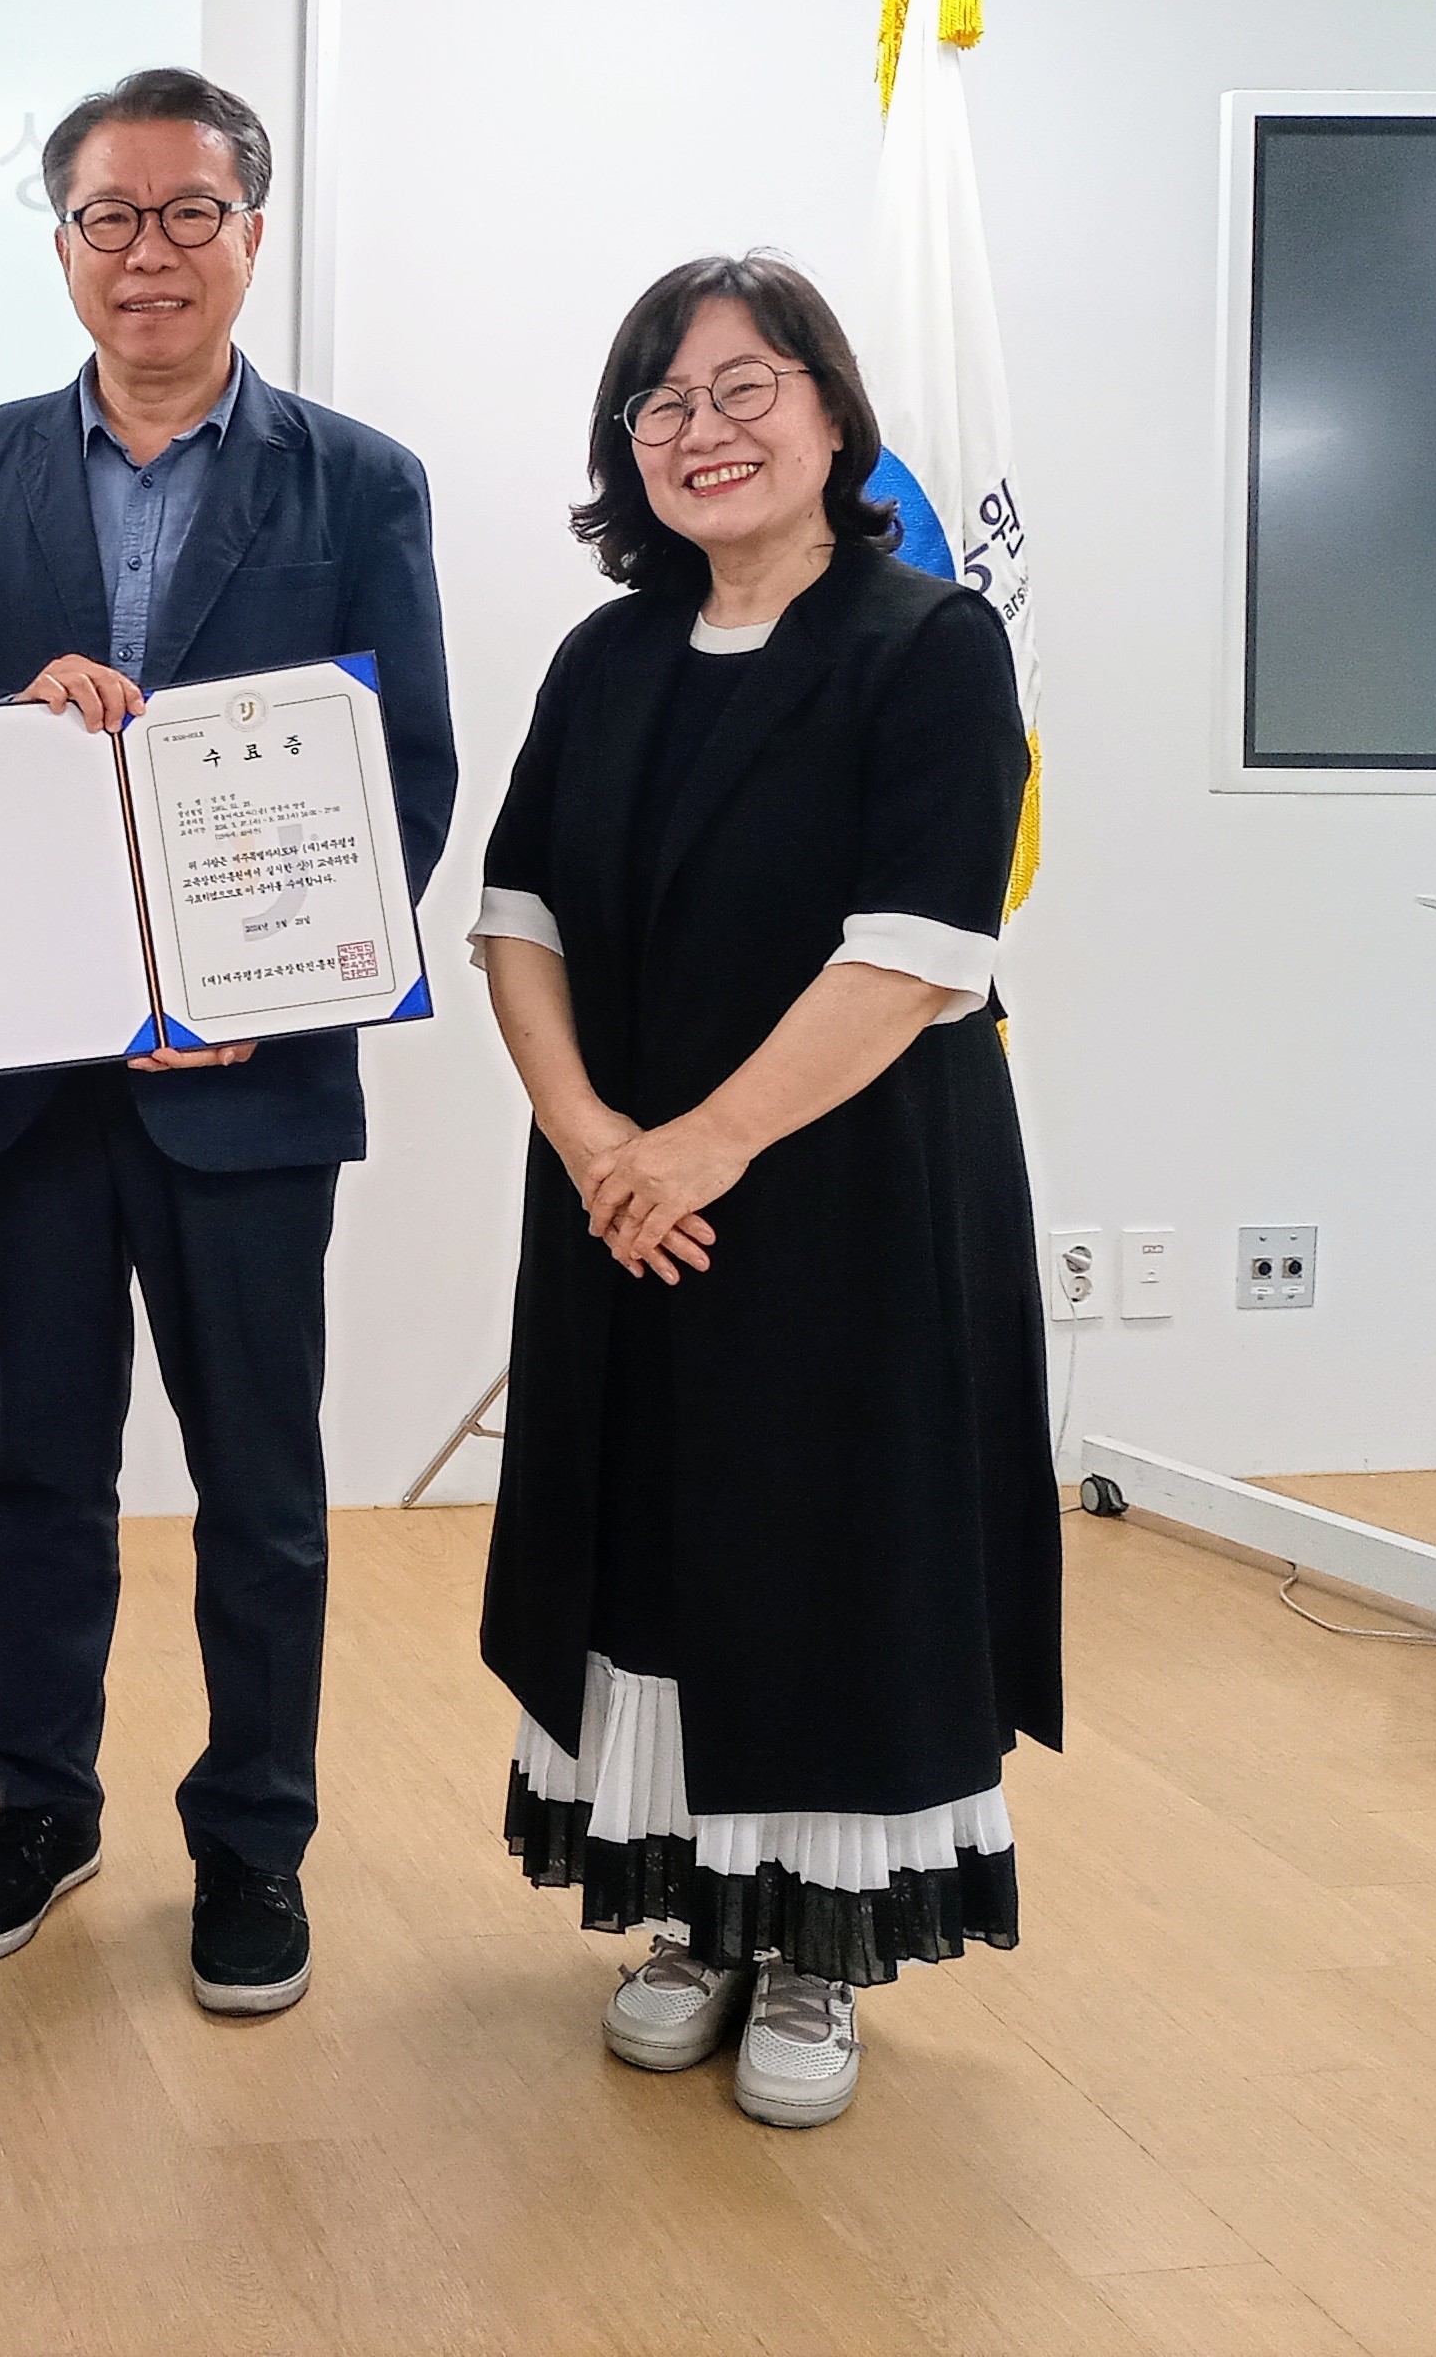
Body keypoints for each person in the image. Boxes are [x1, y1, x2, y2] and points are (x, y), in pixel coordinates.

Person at [0, 66, 454, 2017]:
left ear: (249, 236)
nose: (147, 254)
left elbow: (407, 777)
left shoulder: (353, 482)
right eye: (107, 218)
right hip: (30, 1083)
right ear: (59, 249)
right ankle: (41, 1804)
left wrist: (255, 991)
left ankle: (251, 1841)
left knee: (260, 1485)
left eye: (186, 213)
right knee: (39, 1470)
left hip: (249, 1089)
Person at [472, 251, 1056, 2131]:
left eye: (744, 390)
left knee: (829, 1546)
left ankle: (821, 1947)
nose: (702, 432)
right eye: (663, 404)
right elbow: (517, 915)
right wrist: (591, 1145)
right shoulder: (607, 654)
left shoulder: (926, 640)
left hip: (846, 1195)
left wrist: (695, 1147)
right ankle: (696, 1922)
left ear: (827, 411)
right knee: (651, 1535)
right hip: (624, 1200)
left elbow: (917, 947)